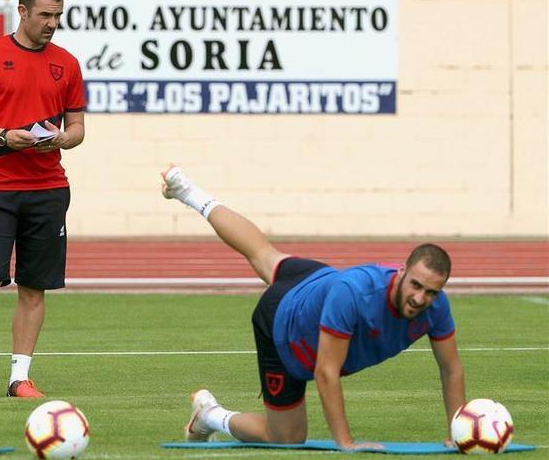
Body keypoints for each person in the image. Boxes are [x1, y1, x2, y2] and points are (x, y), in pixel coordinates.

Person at [160, 166, 467, 450]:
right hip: (282, 322)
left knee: (263, 253)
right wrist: (345, 442)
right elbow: (325, 371)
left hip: (317, 282)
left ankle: (186, 191)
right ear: (401, 272)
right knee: (286, 438)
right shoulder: (356, 295)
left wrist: (457, 434)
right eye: (415, 285)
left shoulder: (436, 307)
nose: (419, 298)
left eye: (430, 291)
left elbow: (450, 368)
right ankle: (210, 416)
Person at [0, 0, 85, 400]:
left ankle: (19, 378)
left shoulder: (67, 63)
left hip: (48, 188)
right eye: (46, 15)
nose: (52, 23)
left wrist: (64, 138)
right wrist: (6, 136)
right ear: (23, 11)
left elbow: (78, 126)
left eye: (58, 16)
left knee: (33, 287)